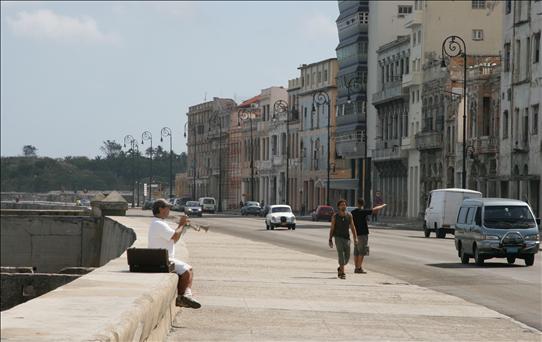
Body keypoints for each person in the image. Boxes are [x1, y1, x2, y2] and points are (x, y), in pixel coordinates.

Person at [148, 198, 201, 309]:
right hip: (161, 258)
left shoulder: (160, 223)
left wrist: (182, 227)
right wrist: (182, 224)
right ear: (160, 209)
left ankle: (186, 296)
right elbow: (175, 236)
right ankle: (183, 298)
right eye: (168, 208)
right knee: (187, 271)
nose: (169, 211)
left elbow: (174, 240)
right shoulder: (158, 224)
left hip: (163, 256)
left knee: (189, 269)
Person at [351, 198, 387, 274]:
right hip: (363, 234)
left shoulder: (353, 212)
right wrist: (382, 205)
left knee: (356, 251)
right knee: (362, 251)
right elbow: (374, 209)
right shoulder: (363, 212)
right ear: (363, 204)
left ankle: (356, 267)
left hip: (355, 234)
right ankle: (359, 268)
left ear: (357, 203)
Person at [328, 199, 358, 279]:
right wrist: (330, 239)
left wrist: (355, 238)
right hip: (338, 237)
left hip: (347, 238)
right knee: (340, 254)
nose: (343, 206)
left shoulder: (349, 215)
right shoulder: (335, 216)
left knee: (347, 257)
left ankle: (340, 268)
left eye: (344, 205)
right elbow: (332, 228)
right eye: (341, 205)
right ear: (338, 207)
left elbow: (352, 227)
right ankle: (342, 273)